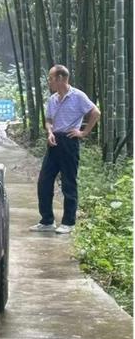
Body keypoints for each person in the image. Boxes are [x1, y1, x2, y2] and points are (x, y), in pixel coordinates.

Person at [29, 65, 101, 234]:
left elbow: (95, 112)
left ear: (61, 78)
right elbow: (48, 119)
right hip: (53, 141)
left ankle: (68, 222)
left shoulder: (77, 96)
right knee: (44, 181)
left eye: (51, 78)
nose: (49, 82)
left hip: (69, 141)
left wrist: (83, 133)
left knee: (69, 182)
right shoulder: (53, 98)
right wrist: (49, 132)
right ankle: (47, 220)